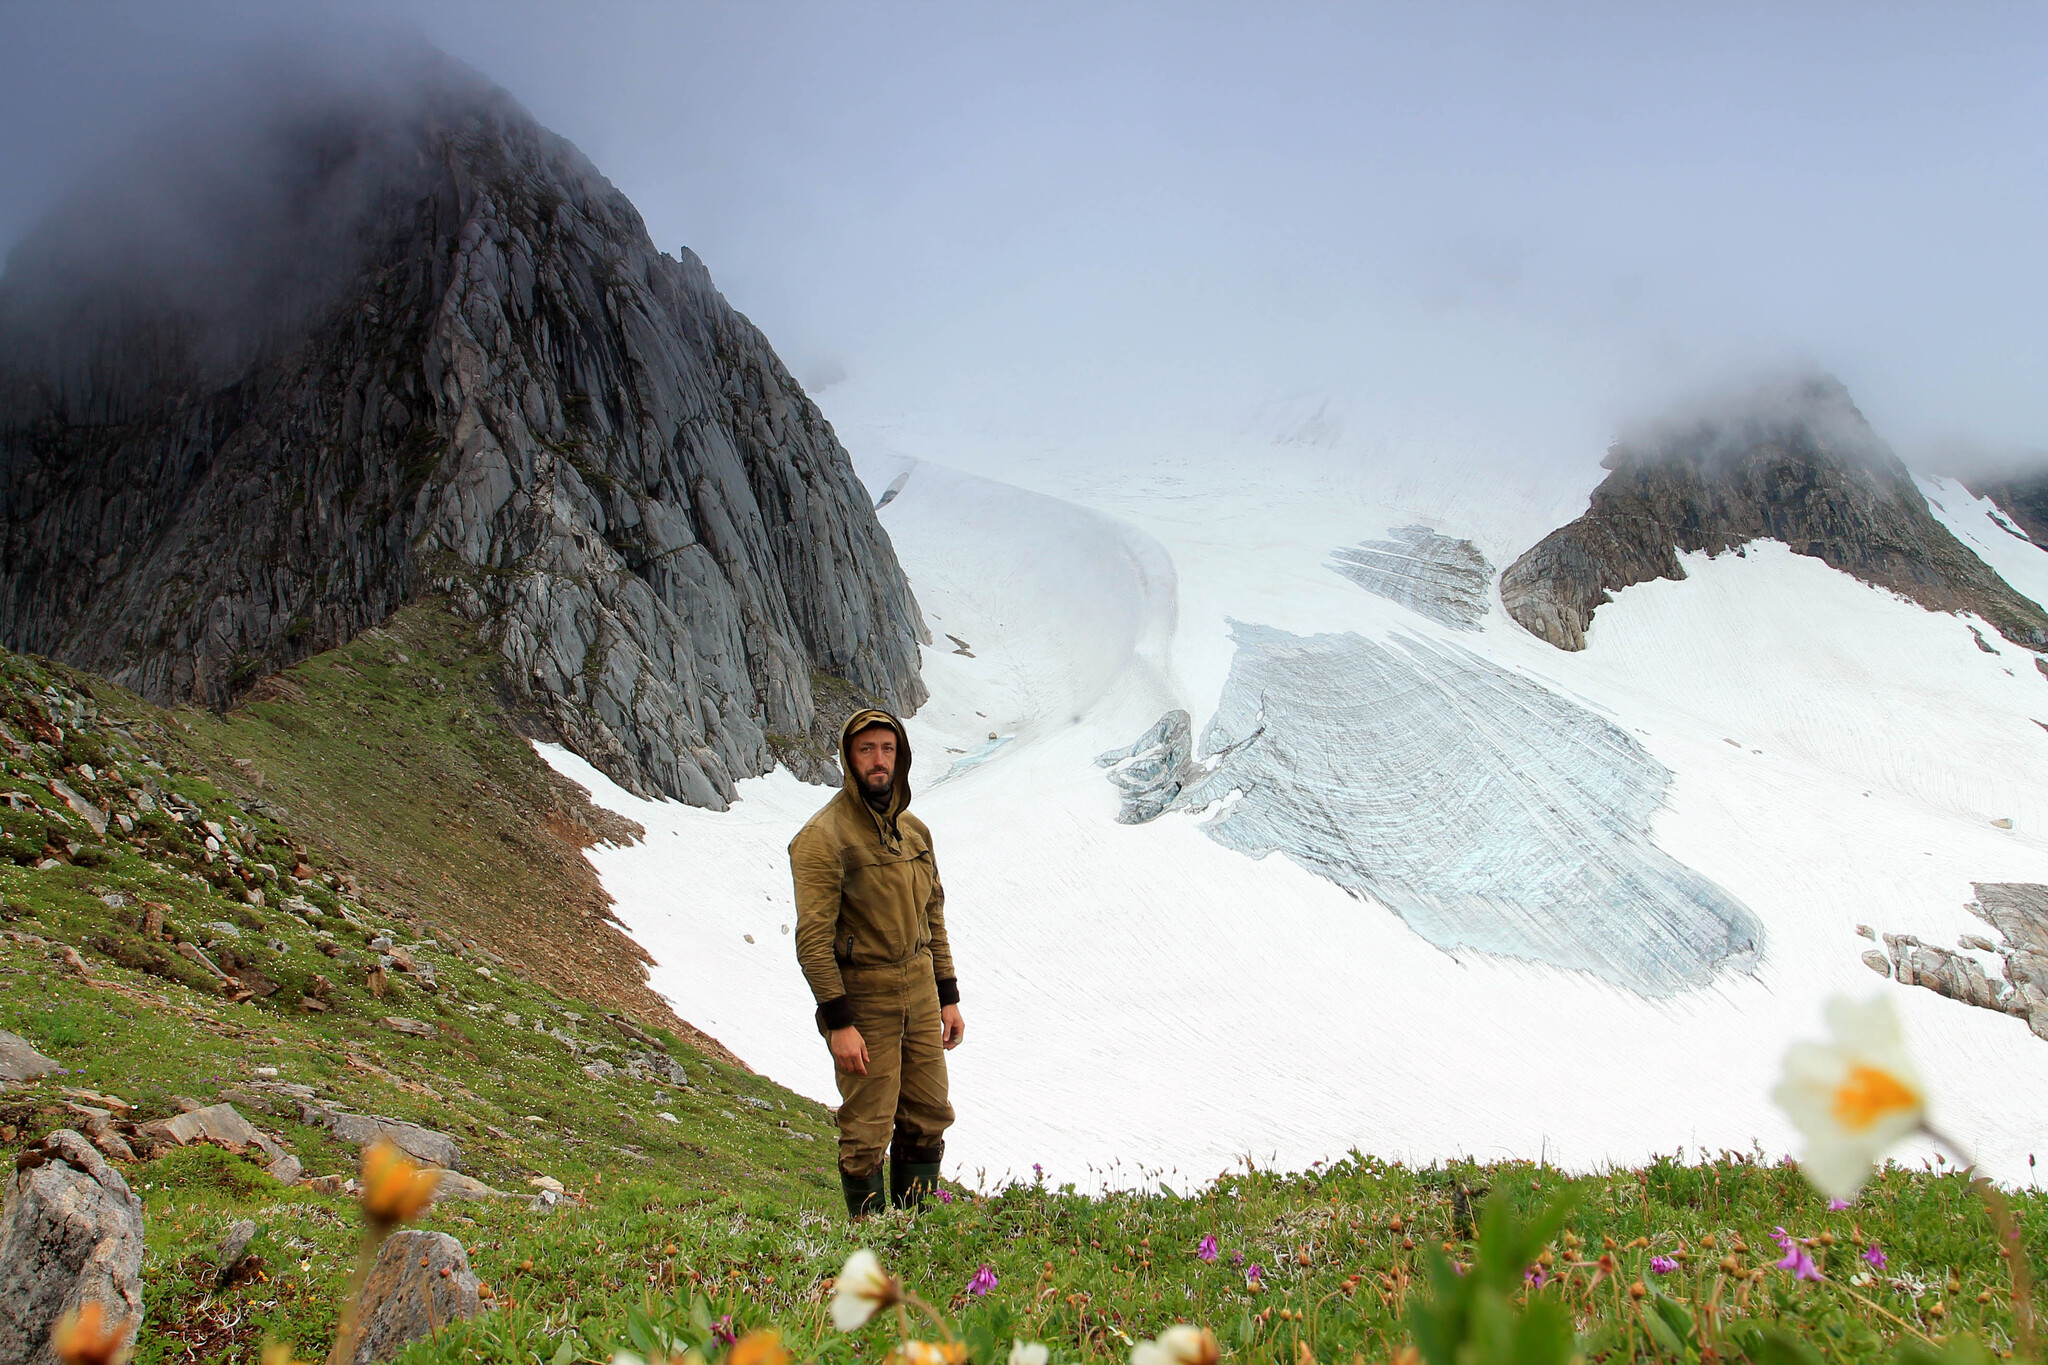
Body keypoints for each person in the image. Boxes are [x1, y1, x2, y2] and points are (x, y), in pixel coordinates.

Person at [789, 708, 965, 1217]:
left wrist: (947, 996)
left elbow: (933, 914)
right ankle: (870, 1242)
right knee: (867, 1128)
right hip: (864, 997)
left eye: (887, 749)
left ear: (901, 756)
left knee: (929, 1113)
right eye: (866, 750)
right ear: (849, 758)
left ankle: (916, 1236)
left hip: (919, 987)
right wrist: (838, 1024)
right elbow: (812, 940)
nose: (878, 760)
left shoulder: (915, 832)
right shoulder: (823, 837)